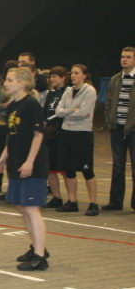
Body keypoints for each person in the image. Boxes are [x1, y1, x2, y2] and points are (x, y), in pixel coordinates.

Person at [0, 66, 50, 271]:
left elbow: (38, 134)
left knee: (32, 208)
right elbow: (11, 137)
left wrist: (30, 161)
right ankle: (37, 247)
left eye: (10, 80)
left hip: (32, 165)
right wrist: (3, 158)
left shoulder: (31, 105)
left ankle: (40, 257)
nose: (6, 83)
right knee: (22, 207)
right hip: (15, 162)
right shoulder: (12, 106)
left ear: (22, 83)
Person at [55, 64, 99, 216]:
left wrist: (67, 112)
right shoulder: (67, 91)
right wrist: (72, 110)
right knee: (69, 169)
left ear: (84, 75)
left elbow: (84, 113)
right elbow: (58, 111)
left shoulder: (90, 91)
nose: (73, 75)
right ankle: (72, 201)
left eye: (77, 73)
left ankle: (93, 203)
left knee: (87, 170)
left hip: (82, 135)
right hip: (67, 133)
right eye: (72, 73)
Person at [103, 46, 135, 212]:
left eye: (128, 57)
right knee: (117, 166)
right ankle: (115, 202)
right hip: (117, 129)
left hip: (133, 130)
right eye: (123, 56)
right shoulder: (115, 79)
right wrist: (109, 120)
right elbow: (109, 102)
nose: (124, 59)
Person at [41, 67, 68, 209]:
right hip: (49, 133)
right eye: (51, 77)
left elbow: (64, 112)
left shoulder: (67, 92)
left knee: (64, 168)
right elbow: (45, 111)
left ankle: (72, 198)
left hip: (62, 133)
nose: (52, 79)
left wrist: (51, 121)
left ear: (63, 78)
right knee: (50, 167)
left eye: (55, 76)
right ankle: (57, 197)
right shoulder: (51, 94)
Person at [0, 60, 18, 196]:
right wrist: (5, 105)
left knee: (13, 156)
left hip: (14, 124)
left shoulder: (21, 87)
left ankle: (13, 187)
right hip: (0, 123)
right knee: (0, 154)